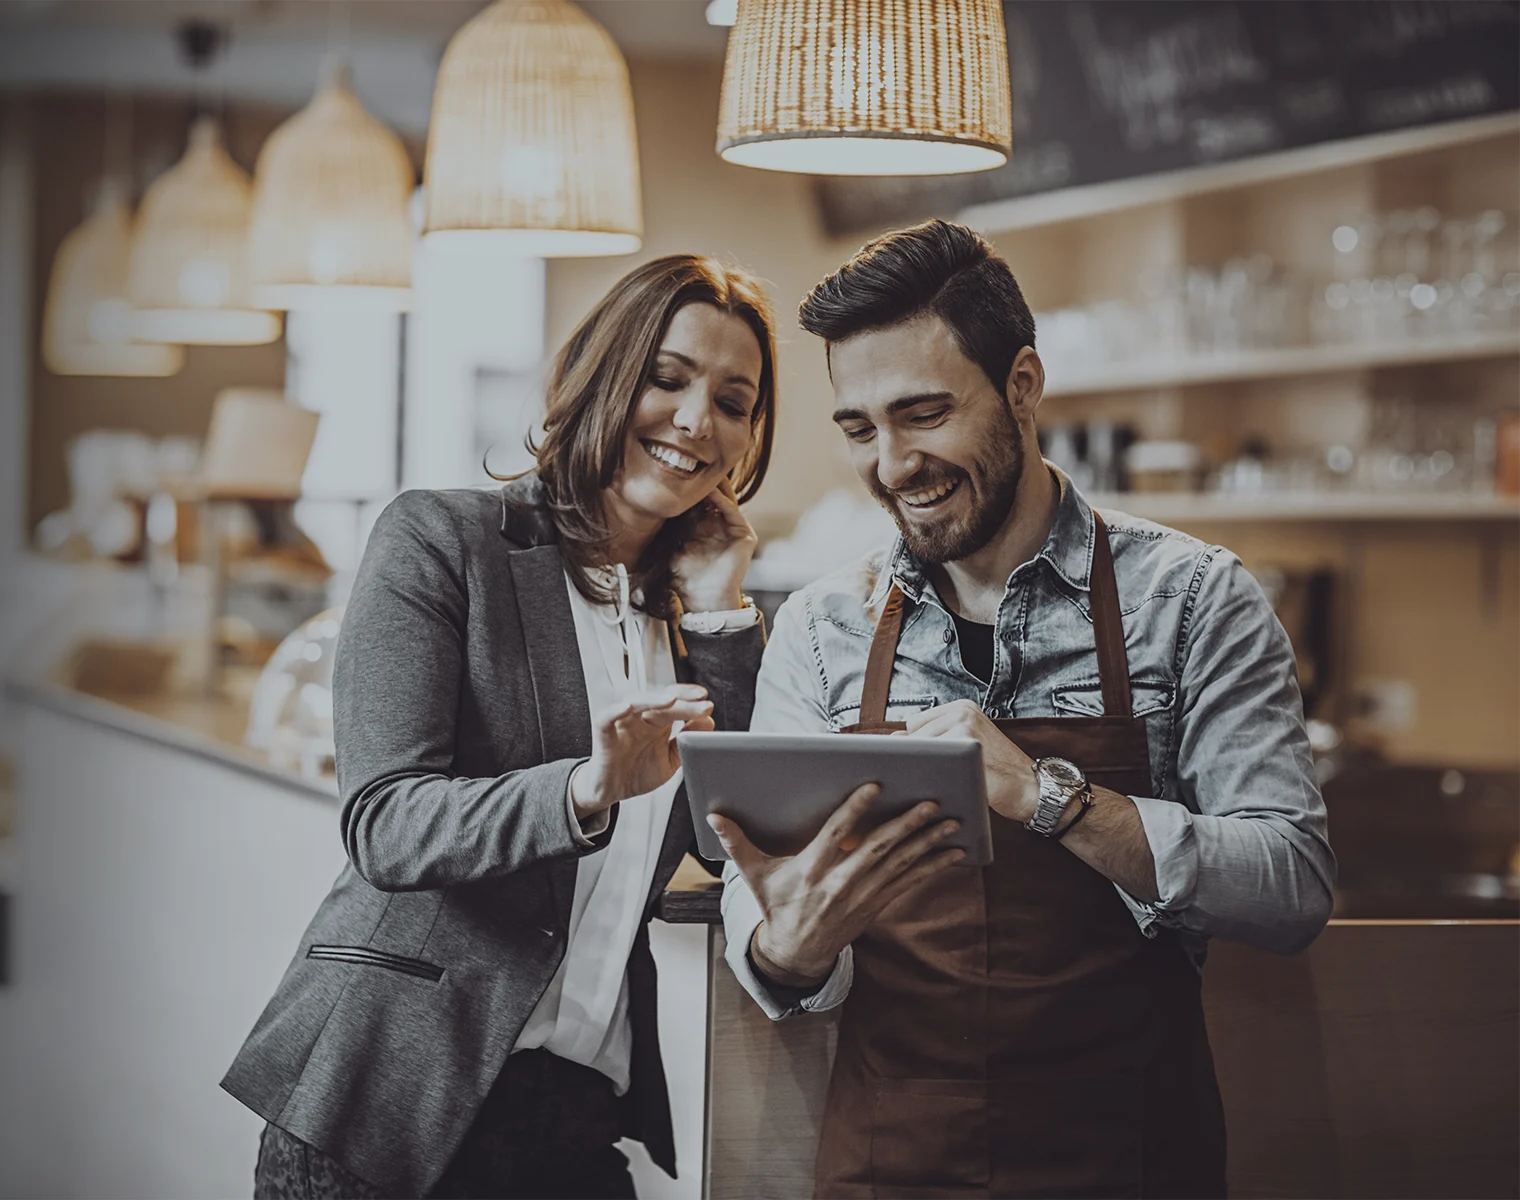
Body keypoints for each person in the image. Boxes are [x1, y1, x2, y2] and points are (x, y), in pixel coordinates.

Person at [708, 220, 1335, 1199]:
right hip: (891, 1160)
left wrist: (1050, 796)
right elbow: (773, 913)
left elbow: (1290, 888)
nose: (893, 463)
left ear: (1024, 385)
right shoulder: (822, 629)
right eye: (861, 428)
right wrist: (781, 948)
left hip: (1127, 1154)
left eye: (923, 413)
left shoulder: (1194, 599)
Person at [224, 255, 777, 1200]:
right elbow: (386, 823)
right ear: (605, 374)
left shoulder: (696, 619)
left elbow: (741, 842)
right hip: (390, 1107)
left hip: (576, 1118)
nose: (698, 422)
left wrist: (722, 608)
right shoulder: (444, 542)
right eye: (669, 378)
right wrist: (584, 789)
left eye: (734, 400)